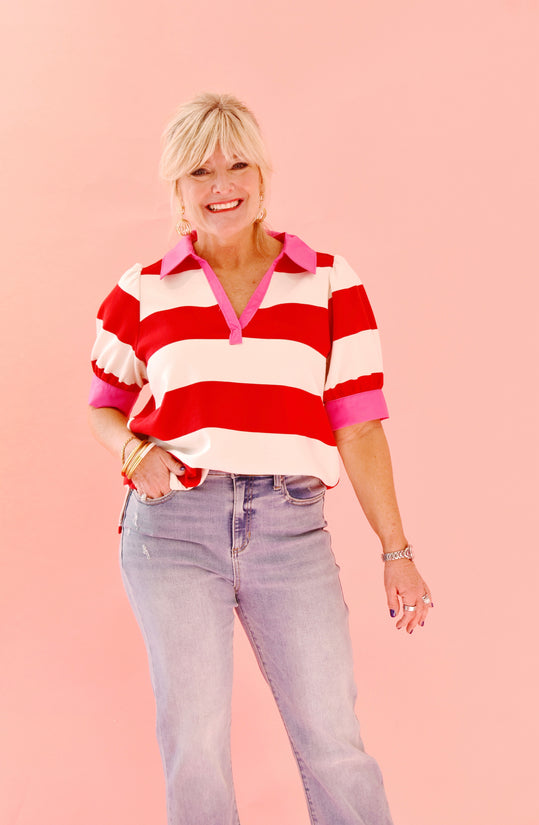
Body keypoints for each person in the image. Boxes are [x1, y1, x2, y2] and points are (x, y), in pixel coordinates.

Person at [88, 92, 432, 825]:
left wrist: (396, 550)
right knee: (197, 741)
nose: (222, 184)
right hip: (173, 529)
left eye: (238, 163)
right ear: (176, 189)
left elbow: (360, 426)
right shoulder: (141, 288)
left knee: (333, 737)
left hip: (290, 525)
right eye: (200, 171)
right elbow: (104, 403)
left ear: (263, 174)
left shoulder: (332, 282)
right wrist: (131, 448)